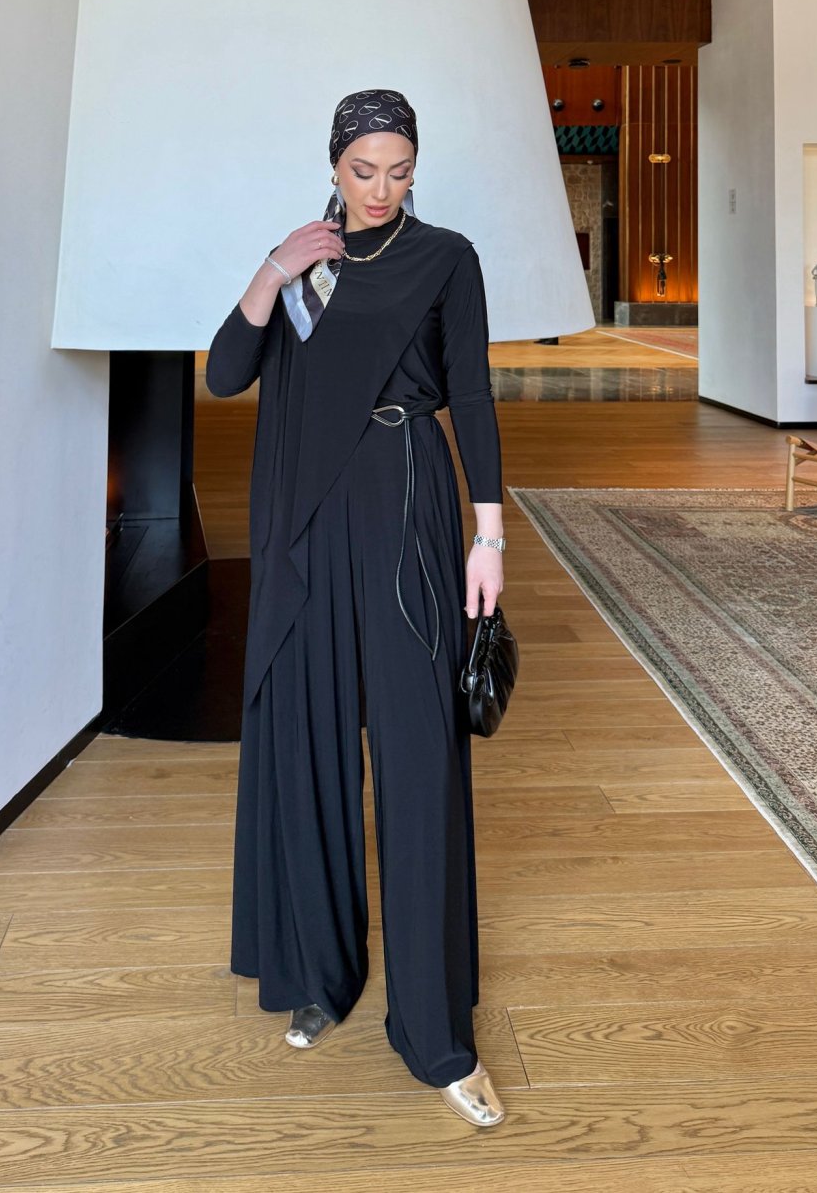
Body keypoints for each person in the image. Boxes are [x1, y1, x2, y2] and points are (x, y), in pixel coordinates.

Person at [205, 88, 506, 1126]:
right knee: (309, 738)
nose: (382, 188)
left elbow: (473, 394)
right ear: (334, 164)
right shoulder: (303, 263)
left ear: (417, 167)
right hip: (303, 524)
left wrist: (489, 536)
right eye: (363, 169)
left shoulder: (445, 257)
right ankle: (319, 976)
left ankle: (436, 1034)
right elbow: (225, 375)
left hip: (406, 503)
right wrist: (271, 270)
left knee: (418, 757)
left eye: (399, 169)